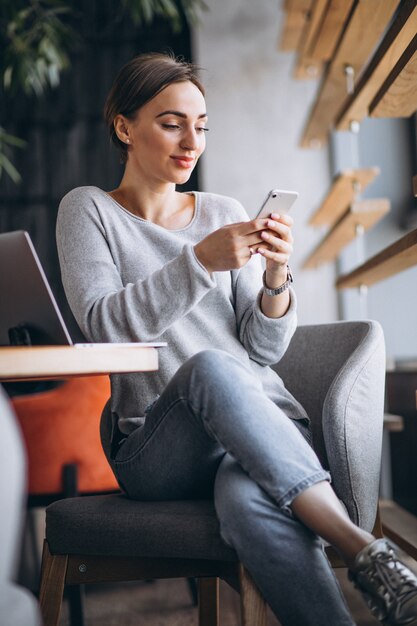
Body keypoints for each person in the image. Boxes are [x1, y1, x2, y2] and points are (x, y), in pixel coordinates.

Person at [56, 52, 417, 626]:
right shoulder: (89, 211)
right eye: (171, 123)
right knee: (208, 367)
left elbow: (264, 351)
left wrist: (276, 276)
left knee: (249, 503)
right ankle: (358, 544)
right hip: (157, 446)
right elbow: (103, 326)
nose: (190, 141)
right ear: (124, 126)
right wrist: (199, 261)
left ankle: (367, 582)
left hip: (263, 428)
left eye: (200, 127)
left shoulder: (222, 212)